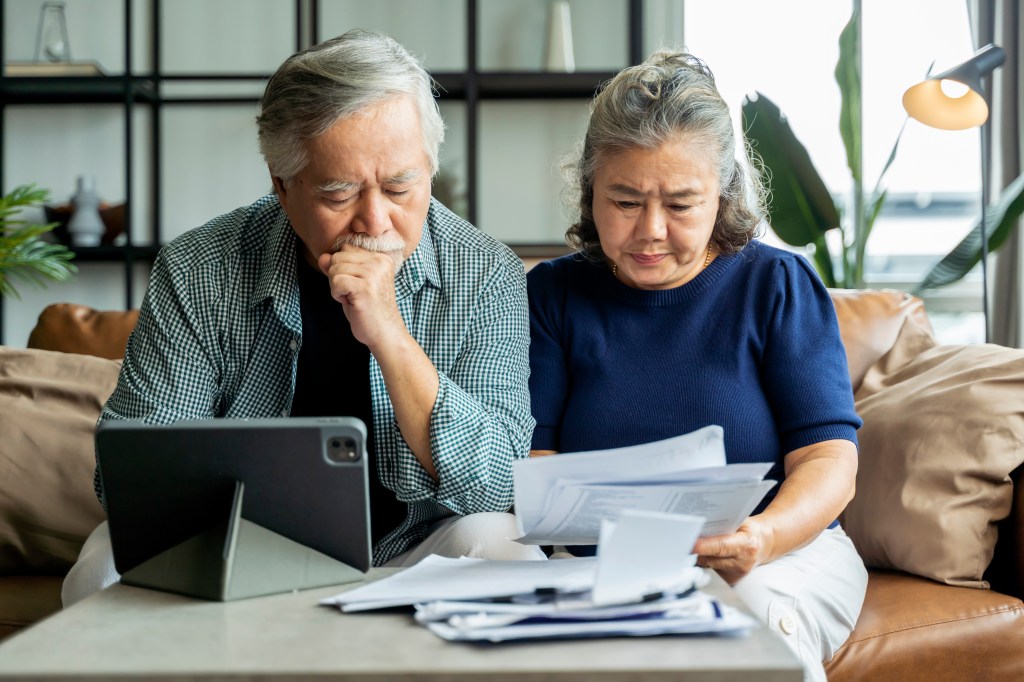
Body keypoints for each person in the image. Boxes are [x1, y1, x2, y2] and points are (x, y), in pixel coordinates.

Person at [63, 29, 543, 606]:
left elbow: (499, 481)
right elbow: (130, 477)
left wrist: (389, 333)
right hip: (236, 549)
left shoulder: (486, 271)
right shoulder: (198, 268)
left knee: (505, 545)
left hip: (417, 549)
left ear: (429, 167)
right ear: (281, 186)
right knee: (100, 569)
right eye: (339, 194)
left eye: (399, 186)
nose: (375, 221)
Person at [527, 50, 866, 682]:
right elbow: (538, 465)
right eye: (624, 201)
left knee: (743, 621)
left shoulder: (776, 284)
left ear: (723, 195)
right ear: (589, 191)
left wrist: (761, 538)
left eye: (681, 204)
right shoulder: (553, 294)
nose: (650, 231)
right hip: (599, 564)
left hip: (779, 555)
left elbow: (829, 460)